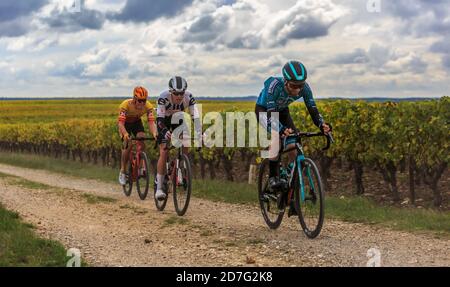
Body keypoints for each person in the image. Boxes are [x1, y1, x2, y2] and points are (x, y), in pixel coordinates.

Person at [255, 60, 332, 191]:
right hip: (264, 111)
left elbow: (312, 109)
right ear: (285, 81)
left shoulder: (305, 88)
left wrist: (321, 124)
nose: (297, 90)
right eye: (294, 86)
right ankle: (273, 177)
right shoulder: (273, 86)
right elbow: (272, 114)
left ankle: (290, 187)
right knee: (276, 137)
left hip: (283, 111)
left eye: (300, 86)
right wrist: (280, 130)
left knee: (293, 145)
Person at [155, 76, 201, 200]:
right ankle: (159, 187)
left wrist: (199, 133)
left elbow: (195, 117)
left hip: (178, 120)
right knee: (164, 150)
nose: (179, 96)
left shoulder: (189, 97)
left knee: (186, 141)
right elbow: (159, 119)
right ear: (171, 91)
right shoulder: (163, 97)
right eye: (176, 93)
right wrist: (164, 131)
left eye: (182, 93)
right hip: (164, 121)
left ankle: (180, 164)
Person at [117, 86, 157, 185]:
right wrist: (125, 134)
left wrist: (155, 133)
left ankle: (141, 166)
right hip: (125, 124)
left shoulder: (148, 106)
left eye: (144, 101)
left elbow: (151, 123)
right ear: (134, 99)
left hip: (136, 122)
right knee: (128, 144)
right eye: (140, 101)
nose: (142, 103)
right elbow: (120, 124)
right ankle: (122, 171)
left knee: (142, 138)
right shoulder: (125, 105)